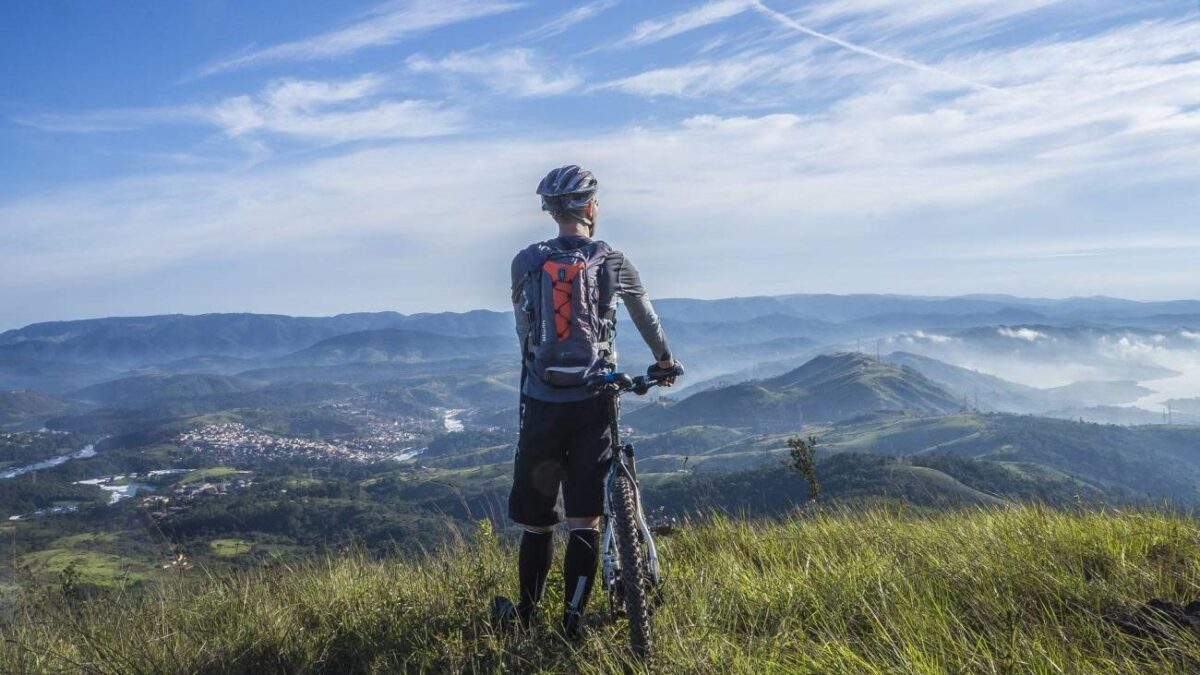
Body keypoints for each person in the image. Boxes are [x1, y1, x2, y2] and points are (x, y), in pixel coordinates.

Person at [493, 165, 677, 640]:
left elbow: (523, 331)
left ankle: (527, 618)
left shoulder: (525, 262)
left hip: (541, 402)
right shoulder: (613, 260)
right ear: (591, 207)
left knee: (537, 524)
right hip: (595, 400)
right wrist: (664, 361)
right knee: (585, 520)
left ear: (551, 210)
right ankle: (572, 622)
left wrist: (537, 377)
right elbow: (646, 318)